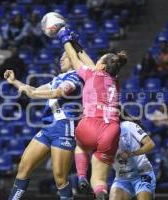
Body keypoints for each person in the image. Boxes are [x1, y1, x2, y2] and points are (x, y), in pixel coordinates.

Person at [56, 27, 127, 199]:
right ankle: (100, 193)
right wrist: (77, 44)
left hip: (90, 123)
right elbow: (89, 61)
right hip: (112, 129)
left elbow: (74, 58)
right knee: (100, 180)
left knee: (81, 145)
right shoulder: (115, 81)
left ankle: (81, 176)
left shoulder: (92, 74)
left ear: (101, 65)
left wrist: (64, 38)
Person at [5, 52, 83, 200]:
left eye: (65, 57)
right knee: (23, 168)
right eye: (60, 56)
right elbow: (33, 90)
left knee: (60, 179)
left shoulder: (75, 77)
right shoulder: (58, 79)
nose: (61, 58)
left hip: (63, 128)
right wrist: (15, 82)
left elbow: (58, 92)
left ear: (74, 60)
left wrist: (32, 93)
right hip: (48, 129)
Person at [109, 120, 156, 200]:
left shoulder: (128, 125)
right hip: (122, 177)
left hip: (142, 173)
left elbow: (150, 144)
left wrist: (132, 154)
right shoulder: (100, 135)